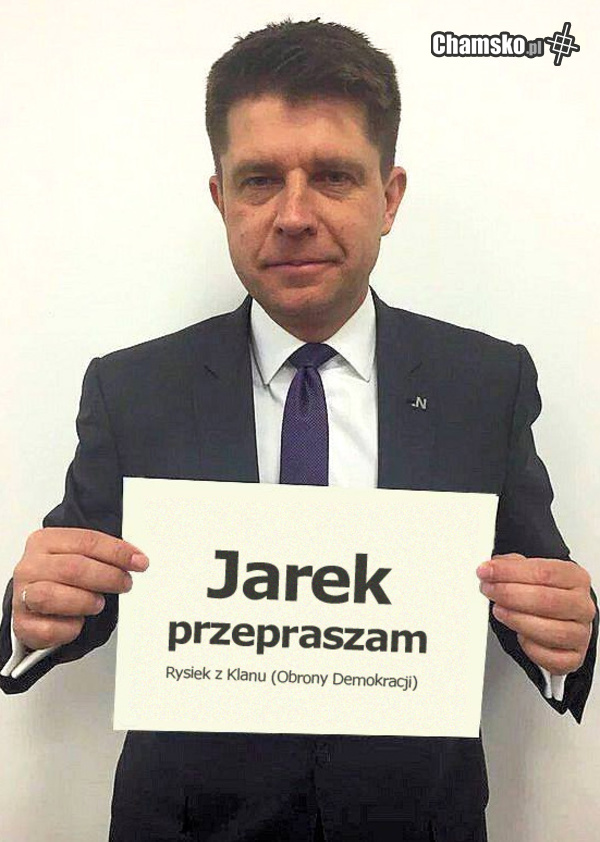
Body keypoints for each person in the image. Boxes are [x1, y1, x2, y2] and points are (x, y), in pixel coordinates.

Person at [0, 18, 597, 842]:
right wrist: (30, 613)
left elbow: (535, 589)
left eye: (333, 177)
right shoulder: (133, 389)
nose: (293, 214)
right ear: (222, 199)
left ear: (389, 197)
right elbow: (79, 594)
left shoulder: (485, 384)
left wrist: (566, 629)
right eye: (258, 181)